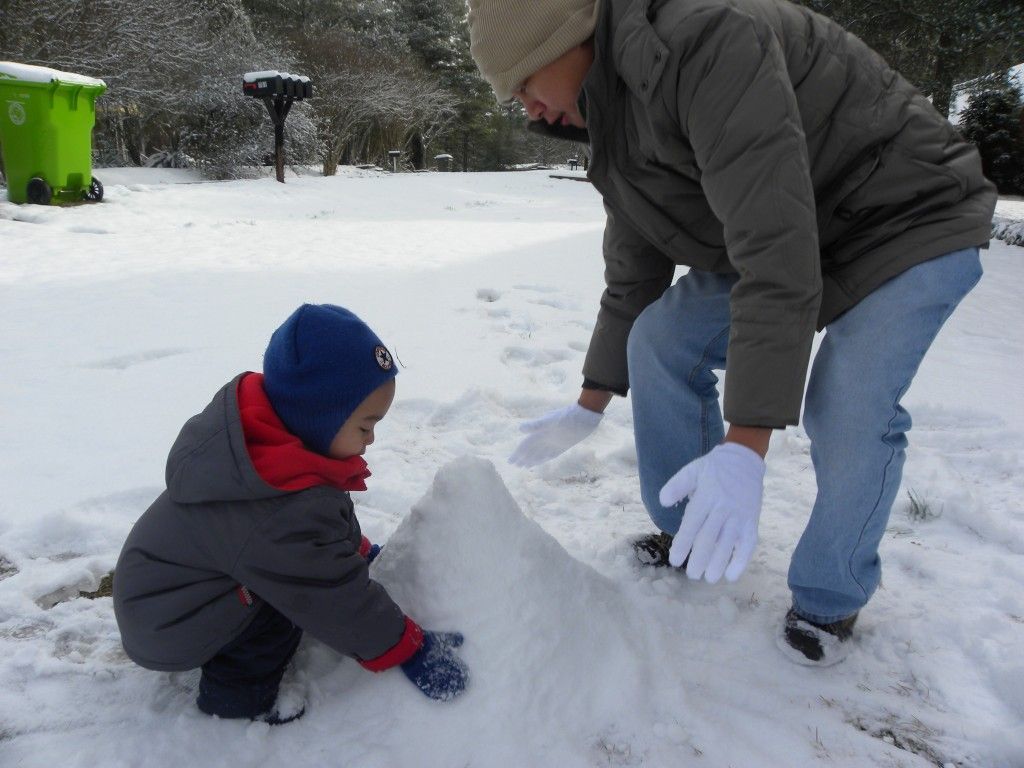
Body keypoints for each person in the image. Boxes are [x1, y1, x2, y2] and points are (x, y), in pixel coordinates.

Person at [469, 0, 996, 665]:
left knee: (849, 404)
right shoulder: (614, 114)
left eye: (523, 83)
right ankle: (691, 530)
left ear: (566, 42)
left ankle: (831, 596)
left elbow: (775, 250)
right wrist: (590, 401)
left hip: (909, 219)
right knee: (660, 338)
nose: (528, 109)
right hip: (801, 234)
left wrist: (746, 447)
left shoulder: (707, 42)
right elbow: (636, 274)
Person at [113, 304, 469, 723]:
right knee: (281, 607)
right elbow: (332, 597)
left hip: (167, 595)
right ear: (319, 417)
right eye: (365, 425)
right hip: (168, 624)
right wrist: (409, 647)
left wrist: (356, 549)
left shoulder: (274, 456)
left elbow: (319, 522)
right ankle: (236, 701)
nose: (373, 437)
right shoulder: (275, 509)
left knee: (280, 576)